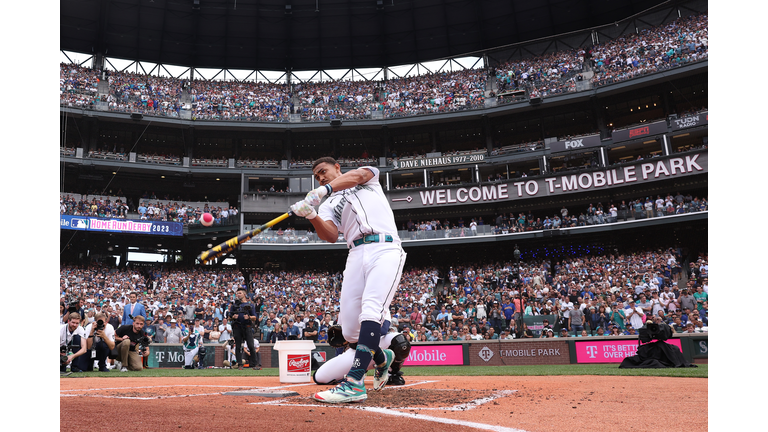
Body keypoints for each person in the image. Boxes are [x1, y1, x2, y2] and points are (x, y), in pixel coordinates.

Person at [291, 157, 406, 403]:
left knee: (372, 310)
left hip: (384, 247)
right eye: (317, 176)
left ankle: (354, 383)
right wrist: (312, 214)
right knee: (351, 330)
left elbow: (359, 175)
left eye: (323, 171)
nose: (320, 177)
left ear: (337, 168)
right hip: (355, 253)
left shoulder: (368, 178)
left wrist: (324, 189)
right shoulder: (327, 205)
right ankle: (382, 358)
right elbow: (331, 235)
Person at [229, 287, 258, 370]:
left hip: (247, 327)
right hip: (237, 327)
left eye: (240, 293)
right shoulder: (234, 305)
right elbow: (229, 317)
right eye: (237, 293)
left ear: (244, 294)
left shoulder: (250, 305)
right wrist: (233, 317)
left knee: (251, 346)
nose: (238, 295)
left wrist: (248, 317)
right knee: (238, 346)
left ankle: (255, 364)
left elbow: (255, 317)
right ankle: (240, 364)